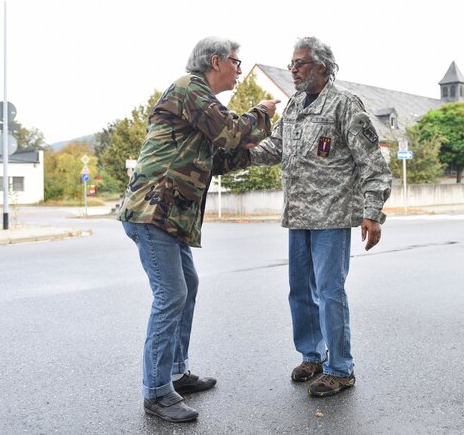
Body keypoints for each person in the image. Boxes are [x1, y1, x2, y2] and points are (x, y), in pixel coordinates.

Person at [117, 37, 279, 422]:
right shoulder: (190, 87)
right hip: (152, 212)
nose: (240, 70)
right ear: (217, 60)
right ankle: (156, 392)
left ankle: (175, 372)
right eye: (238, 63)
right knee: (171, 295)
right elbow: (229, 132)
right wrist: (260, 113)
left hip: (171, 218)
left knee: (187, 289)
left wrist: (264, 149)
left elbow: (219, 157)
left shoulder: (201, 104)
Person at [249, 37, 392, 397]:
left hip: (331, 216)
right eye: (291, 64)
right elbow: (274, 148)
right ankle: (312, 356)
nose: (293, 70)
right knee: (300, 292)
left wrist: (372, 213)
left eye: (301, 63)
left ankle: (340, 369)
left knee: (330, 292)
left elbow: (373, 164)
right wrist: (235, 155)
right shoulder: (295, 105)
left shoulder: (345, 104)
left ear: (323, 66)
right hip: (298, 216)